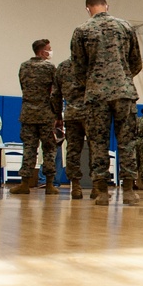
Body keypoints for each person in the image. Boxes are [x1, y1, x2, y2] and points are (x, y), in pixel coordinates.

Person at [70, 0, 143, 206]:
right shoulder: (125, 27)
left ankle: (102, 192)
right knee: (127, 142)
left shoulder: (82, 31)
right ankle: (129, 191)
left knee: (98, 144)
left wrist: (94, 82)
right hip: (124, 92)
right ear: (106, 6)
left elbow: (78, 68)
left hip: (96, 95)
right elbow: (136, 62)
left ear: (87, 8)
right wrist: (121, 77)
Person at [10, 39, 59, 195]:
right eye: (49, 49)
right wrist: (58, 114)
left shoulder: (24, 66)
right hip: (46, 114)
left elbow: (23, 87)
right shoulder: (50, 68)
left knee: (29, 149)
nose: (50, 51)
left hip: (28, 114)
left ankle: (25, 183)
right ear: (41, 51)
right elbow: (55, 92)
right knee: (50, 149)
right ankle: (50, 184)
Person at [52, 58, 88, 199]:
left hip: (71, 113)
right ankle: (98, 187)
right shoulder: (93, 62)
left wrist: (58, 115)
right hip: (92, 113)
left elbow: (55, 94)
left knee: (73, 150)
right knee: (97, 150)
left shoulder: (63, 66)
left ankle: (76, 186)